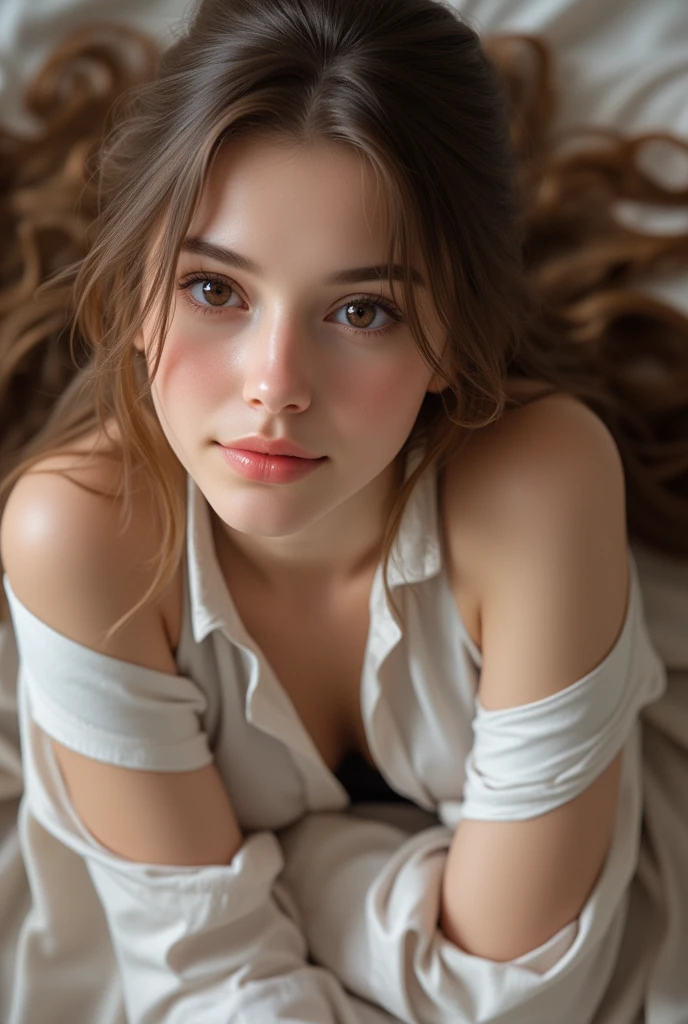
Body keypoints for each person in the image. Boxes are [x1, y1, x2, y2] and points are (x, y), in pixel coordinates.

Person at [0, 0, 686, 1020]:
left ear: (450, 336)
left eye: (361, 310)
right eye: (213, 289)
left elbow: (521, 996)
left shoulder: (542, 484)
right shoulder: (77, 532)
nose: (274, 386)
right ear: (136, 293)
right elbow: (207, 986)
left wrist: (281, 871)